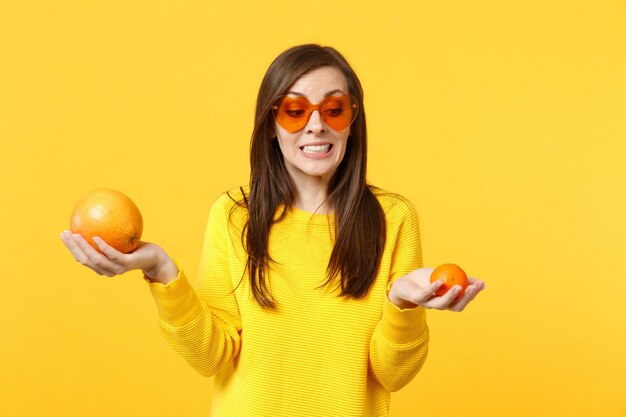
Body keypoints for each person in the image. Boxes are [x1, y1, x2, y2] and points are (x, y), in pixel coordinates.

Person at [60, 44, 485, 417]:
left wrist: (402, 304)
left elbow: (391, 376)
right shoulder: (233, 215)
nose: (315, 126)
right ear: (271, 125)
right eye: (295, 111)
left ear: (352, 121)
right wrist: (161, 270)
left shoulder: (394, 218)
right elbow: (211, 356)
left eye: (333, 109)